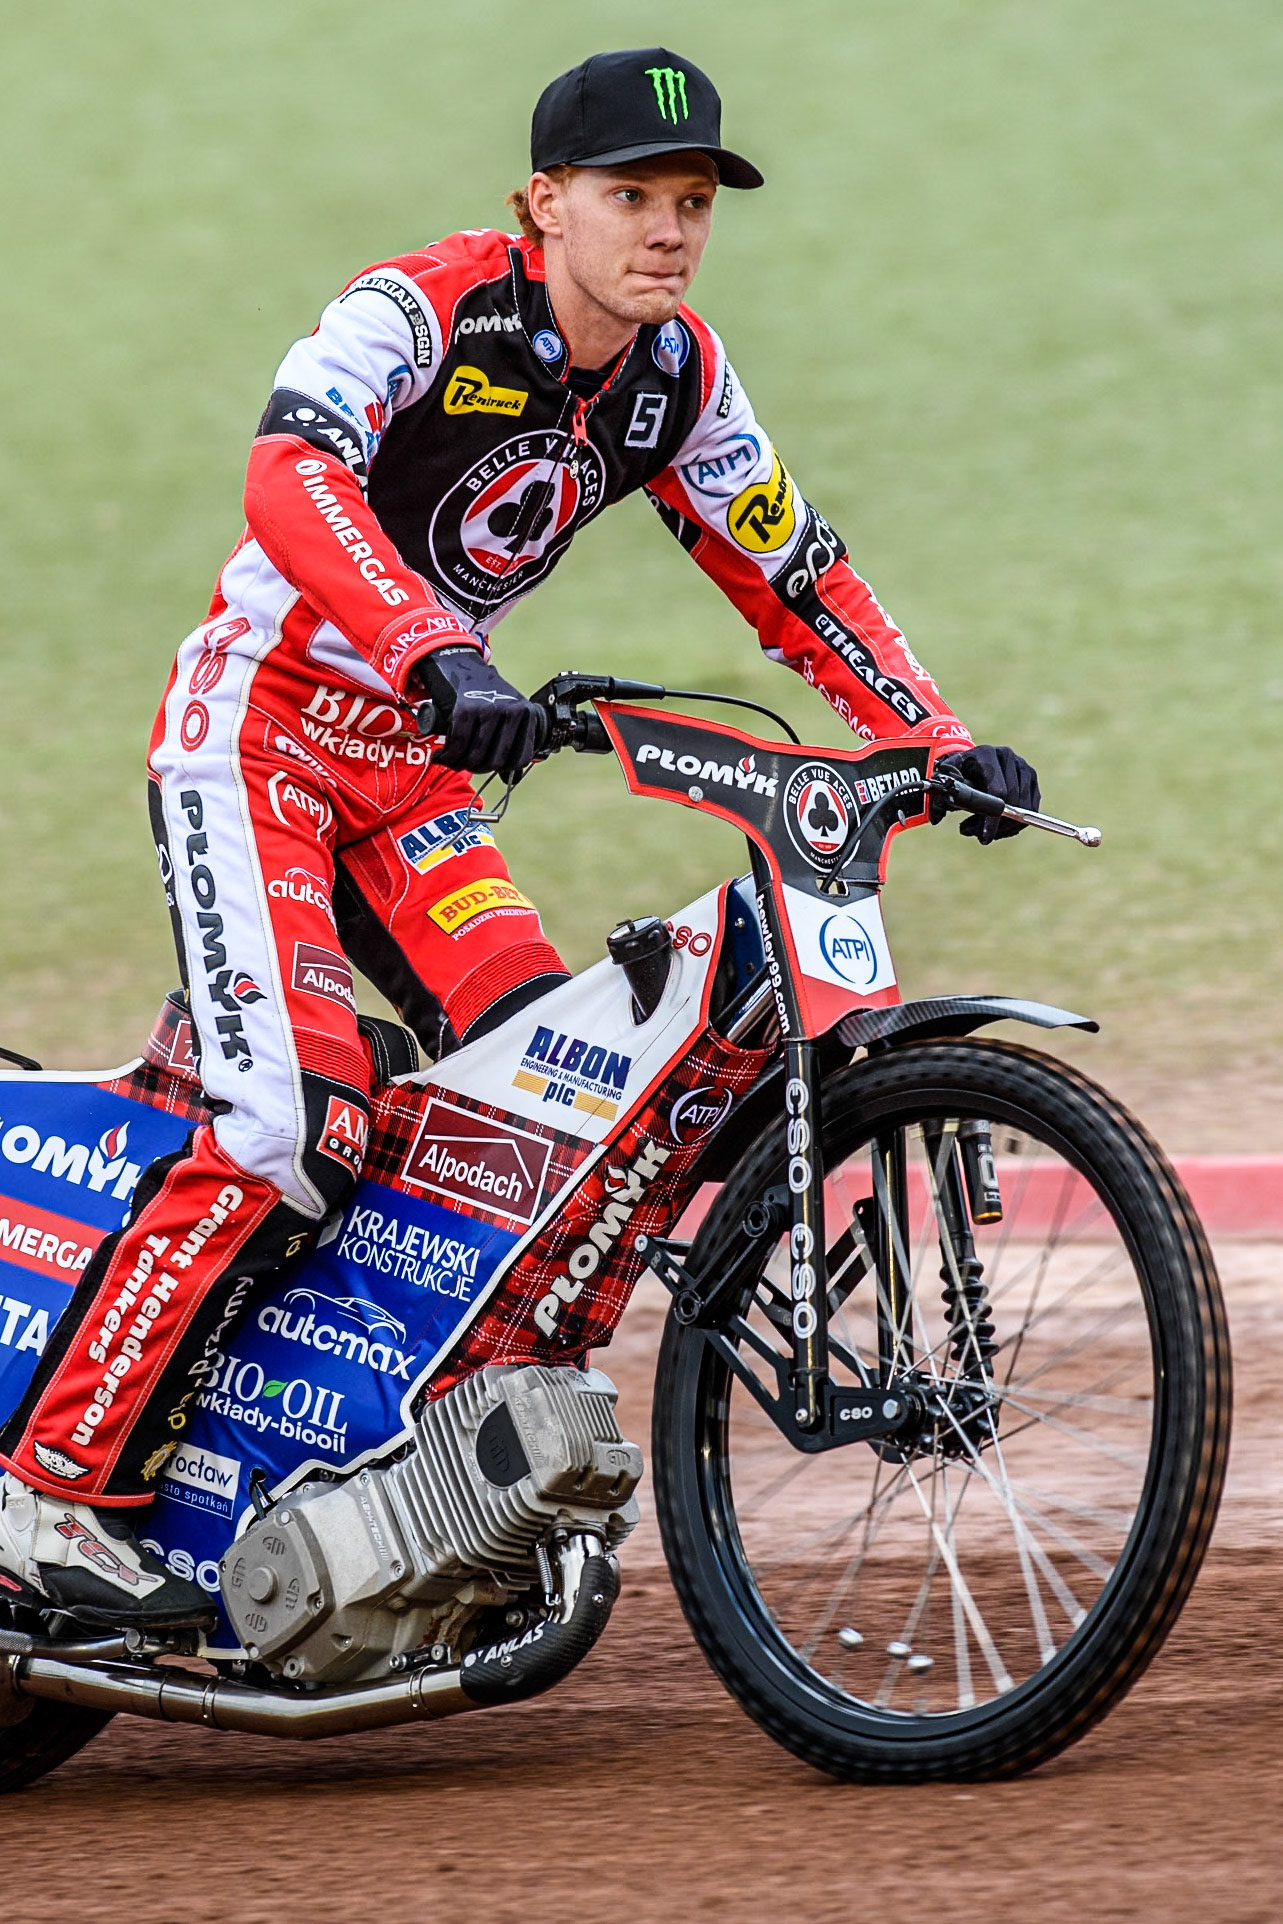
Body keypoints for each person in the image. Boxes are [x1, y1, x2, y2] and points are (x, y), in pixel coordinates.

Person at [0, 47, 1038, 1627]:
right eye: (633, 197)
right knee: (291, 1122)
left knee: (535, 1106)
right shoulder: (417, 311)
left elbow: (792, 565)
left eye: (691, 202)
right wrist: (436, 649)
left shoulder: (680, 377)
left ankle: (366, 1462)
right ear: (543, 204)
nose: (669, 231)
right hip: (256, 741)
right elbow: (291, 477)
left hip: (414, 781)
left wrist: (930, 737)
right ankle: (51, 1498)